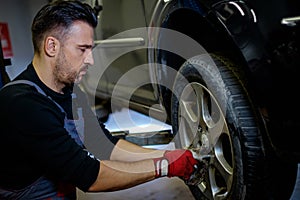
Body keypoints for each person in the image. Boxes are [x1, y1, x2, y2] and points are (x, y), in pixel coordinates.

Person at [0, 0, 203, 199]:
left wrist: (165, 156)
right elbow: (91, 177)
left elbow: (104, 145)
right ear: (52, 46)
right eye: (82, 49)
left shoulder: (71, 92)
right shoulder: (23, 104)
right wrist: (164, 167)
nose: (91, 60)